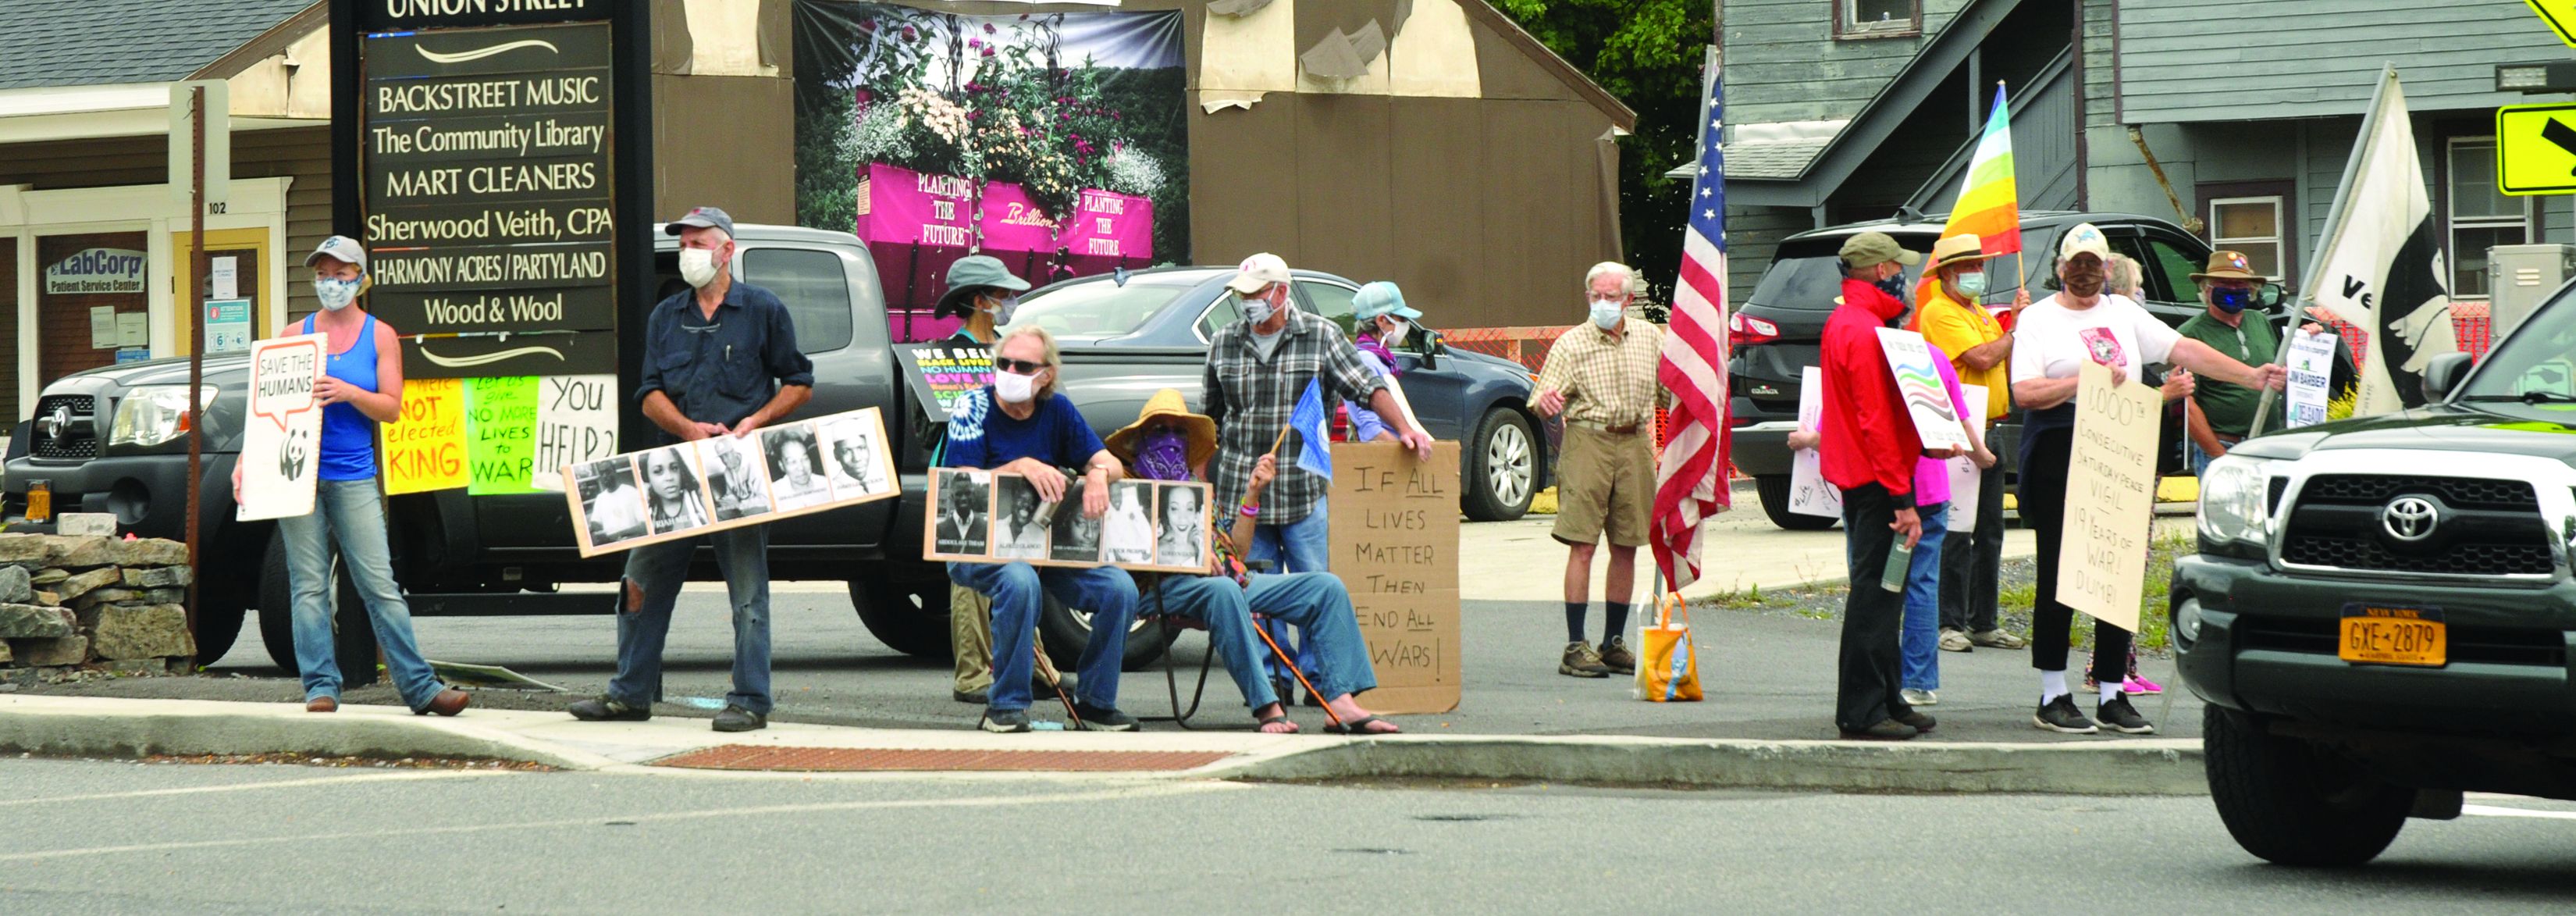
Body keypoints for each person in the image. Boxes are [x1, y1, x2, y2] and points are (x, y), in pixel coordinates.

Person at [2012, 224, 2285, 735]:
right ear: (2061, 268)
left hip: (2122, 445)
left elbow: (2185, 351)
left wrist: (2250, 375)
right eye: (2078, 263)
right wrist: (2085, 379)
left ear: (2107, 268)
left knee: (2117, 569)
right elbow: (2025, 392)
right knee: (2060, 570)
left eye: (2097, 263)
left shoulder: (2123, 313)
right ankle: (2053, 691)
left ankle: (2113, 692)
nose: (2088, 272)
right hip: (2061, 447)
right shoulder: (2038, 318)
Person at [568, 206, 813, 733]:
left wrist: (754, 422)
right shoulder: (666, 315)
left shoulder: (763, 310)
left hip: (737, 471)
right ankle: (629, 692)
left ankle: (750, 699)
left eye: (698, 243)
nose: (688, 253)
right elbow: (648, 393)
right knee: (638, 582)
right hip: (672, 468)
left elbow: (799, 381)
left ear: (727, 250)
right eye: (683, 245)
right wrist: (685, 428)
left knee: (748, 591)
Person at [241, 236, 468, 717]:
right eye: (323, 274)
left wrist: (347, 391)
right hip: (295, 473)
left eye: (341, 274)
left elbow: (390, 408)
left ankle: (421, 688)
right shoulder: (291, 336)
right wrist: (247, 462)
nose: (332, 283)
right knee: (308, 585)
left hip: (354, 474)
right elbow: (265, 410)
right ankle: (320, 686)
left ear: (361, 279)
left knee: (379, 584)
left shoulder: (379, 335)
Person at [1201, 253, 1433, 699]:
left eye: (1254, 295)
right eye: (1241, 296)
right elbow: (1206, 424)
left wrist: (1404, 429)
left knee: (1316, 588)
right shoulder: (1223, 343)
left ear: (1280, 293)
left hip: (1303, 491)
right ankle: (1274, 678)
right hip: (1243, 493)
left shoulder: (1321, 336)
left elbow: (1367, 388)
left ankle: (1320, 678)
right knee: (1255, 591)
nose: (1246, 303)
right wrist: (1200, 488)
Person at [1105, 390, 1401, 734]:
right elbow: (1125, 552)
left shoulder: (1196, 486)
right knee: (1222, 591)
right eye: (1160, 430)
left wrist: (1253, 494)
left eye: (1179, 431)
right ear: (1141, 437)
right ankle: (1267, 708)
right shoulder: (1129, 487)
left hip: (1232, 582)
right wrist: (1193, 558)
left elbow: (1237, 555)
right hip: (1165, 587)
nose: (1170, 438)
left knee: (1326, 586)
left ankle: (1341, 703)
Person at [944, 325, 1142, 732]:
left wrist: (1101, 475)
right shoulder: (971, 405)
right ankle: (1007, 705)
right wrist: (1019, 466)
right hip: (980, 548)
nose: (1010, 371)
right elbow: (962, 481)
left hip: (1048, 549)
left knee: (1119, 589)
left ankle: (1095, 702)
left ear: (1046, 375)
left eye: (1023, 365)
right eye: (1004, 363)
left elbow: (1110, 461)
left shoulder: (1059, 411)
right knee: (1019, 580)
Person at [1790, 338, 1990, 710]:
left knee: (1874, 587)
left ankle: (1877, 683)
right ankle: (1920, 681)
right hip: (1930, 489)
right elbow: (1957, 420)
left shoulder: (1856, 357)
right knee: (1922, 586)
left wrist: (1806, 440)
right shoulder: (1933, 356)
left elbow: (1838, 430)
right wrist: (1982, 455)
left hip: (1874, 491)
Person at [1815, 232, 1944, 741]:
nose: (1903, 277)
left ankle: (1888, 697)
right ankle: (1862, 710)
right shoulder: (1864, 329)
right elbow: (1875, 419)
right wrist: (1902, 498)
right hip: (1876, 480)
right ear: (1876, 271)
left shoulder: (1854, 321)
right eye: (1897, 267)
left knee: (1887, 591)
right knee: (1875, 594)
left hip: (1867, 475)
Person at [930, 255, 1058, 706]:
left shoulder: (1011, 349)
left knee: (1017, 568)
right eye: (1002, 295)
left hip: (1011, 473)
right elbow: (936, 422)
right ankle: (972, 673)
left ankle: (1034, 667)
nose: (1009, 302)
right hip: (964, 472)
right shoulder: (947, 355)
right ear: (980, 301)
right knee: (969, 572)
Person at [1530, 262, 1666, 679]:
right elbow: (1541, 396)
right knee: (1583, 543)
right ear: (1588, 297)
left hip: (1635, 442)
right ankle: (1575, 645)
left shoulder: (1649, 338)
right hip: (1588, 439)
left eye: (1611, 297)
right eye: (1596, 296)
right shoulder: (1571, 344)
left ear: (1629, 299)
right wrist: (1547, 402)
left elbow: (1669, 392)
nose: (1603, 304)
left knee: (1627, 542)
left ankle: (1613, 643)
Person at [1909, 233, 2030, 656]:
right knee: (1957, 531)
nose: (1977, 273)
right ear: (1945, 273)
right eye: (1968, 267)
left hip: (1991, 424)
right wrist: (2013, 331)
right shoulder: (1940, 312)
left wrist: (2010, 329)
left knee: (1990, 531)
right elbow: (1981, 358)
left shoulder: (1974, 310)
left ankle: (1984, 622)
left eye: (1979, 266)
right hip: (1960, 431)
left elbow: (1997, 356)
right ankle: (1949, 622)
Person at [1345, 281, 1420, 444]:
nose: (1405, 324)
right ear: (1381, 320)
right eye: (1401, 318)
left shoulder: (1378, 359)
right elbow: (1370, 431)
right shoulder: (1367, 361)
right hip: (1382, 461)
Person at [642, 448, 711, 533]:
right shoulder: (648, 513)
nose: (669, 477)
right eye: (658, 471)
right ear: (647, 478)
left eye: (674, 468)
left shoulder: (699, 500)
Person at [766, 429, 831, 510]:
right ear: (782, 466)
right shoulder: (773, 494)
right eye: (792, 462)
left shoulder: (828, 484)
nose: (801, 467)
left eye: (805, 459)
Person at [994, 479, 1048, 560]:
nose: (1026, 504)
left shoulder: (1043, 537)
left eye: (1032, 502)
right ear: (1013, 499)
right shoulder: (994, 528)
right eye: (1022, 499)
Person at [1101, 482, 1154, 563]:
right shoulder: (1108, 514)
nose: (1116, 499)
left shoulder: (1131, 504)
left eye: (1118, 495)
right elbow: (1116, 544)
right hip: (1132, 558)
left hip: (1145, 551)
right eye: (1113, 496)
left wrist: (1150, 549)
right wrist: (1140, 556)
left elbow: (1145, 528)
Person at [1155, 484, 1207, 567]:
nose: (1182, 518)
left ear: (1196, 514)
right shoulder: (1160, 549)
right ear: (1167, 511)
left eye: (1189, 509)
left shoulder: (1201, 538)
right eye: (1174, 509)